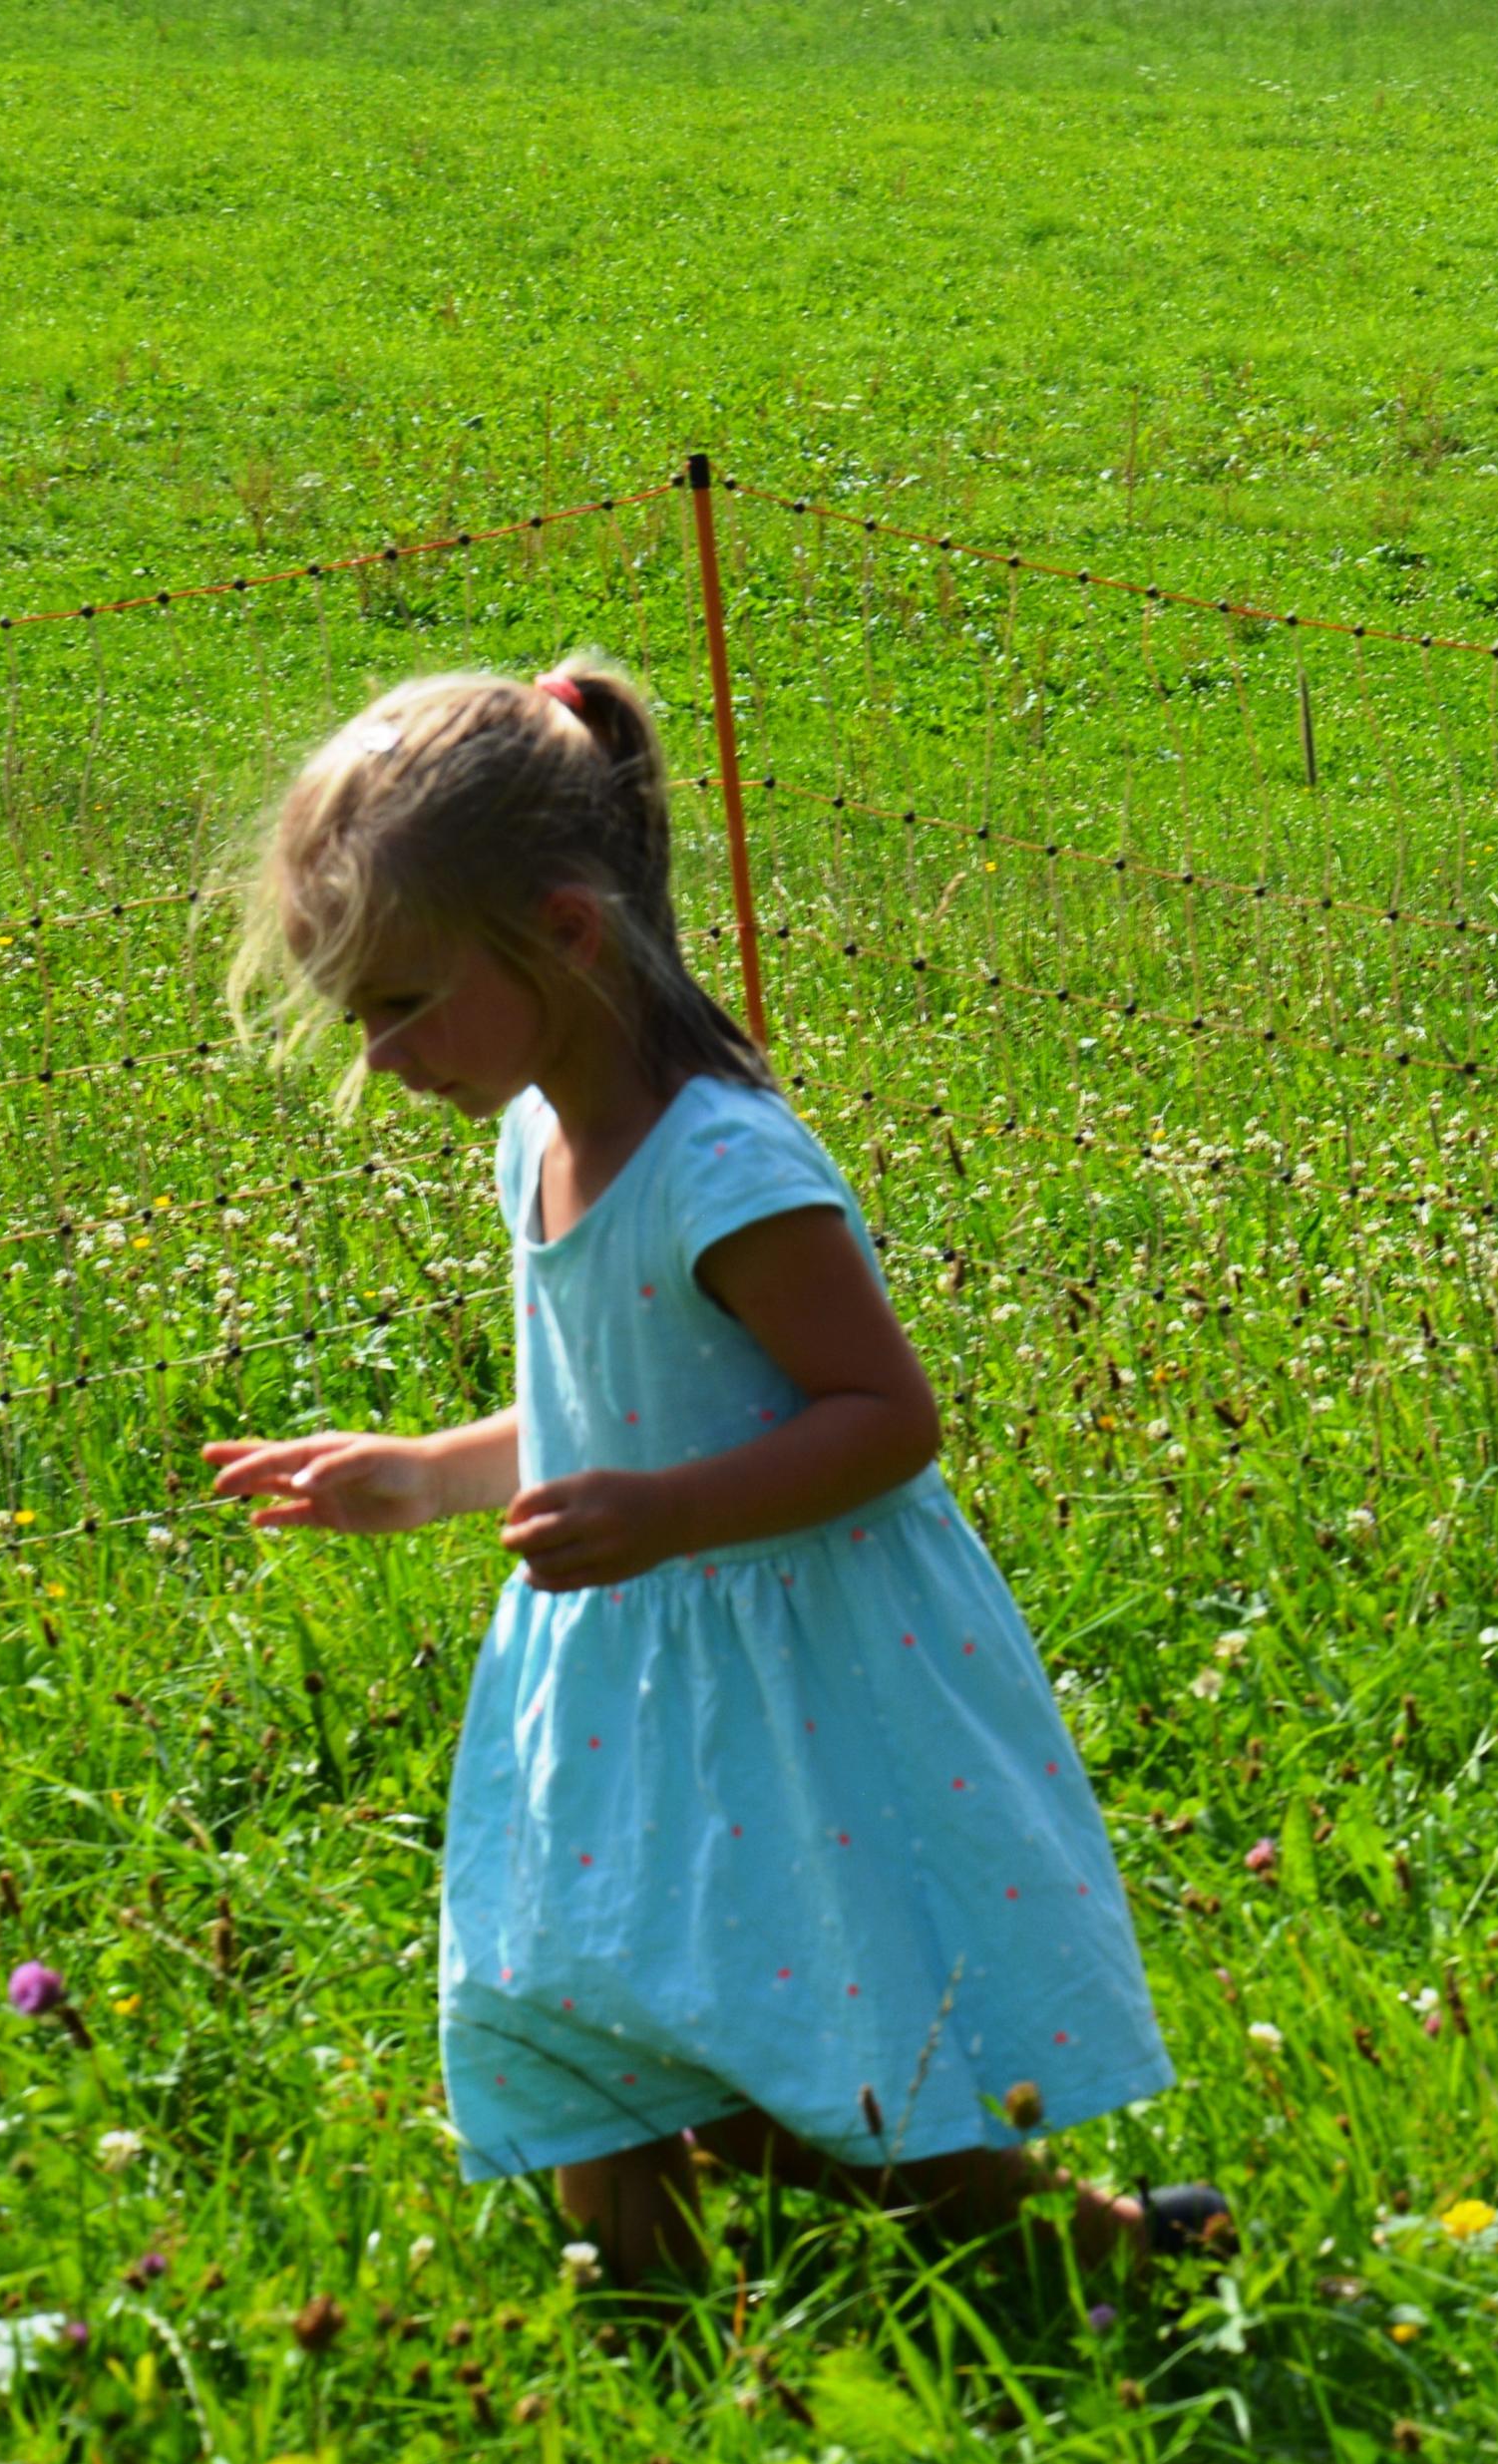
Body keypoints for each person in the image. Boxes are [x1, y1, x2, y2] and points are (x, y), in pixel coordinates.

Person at [199, 656, 1225, 2284]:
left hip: (780, 1676)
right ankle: (663, 2336)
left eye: (401, 1002)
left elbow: (882, 1415)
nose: (380, 1055)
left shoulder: (722, 1166)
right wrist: (430, 1473)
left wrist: (669, 1514)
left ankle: (1075, 2251)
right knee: (574, 2011)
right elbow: (626, 1401)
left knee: (789, 2053)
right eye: (356, 1016)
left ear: (566, 933)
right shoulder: (537, 1133)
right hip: (621, 1672)